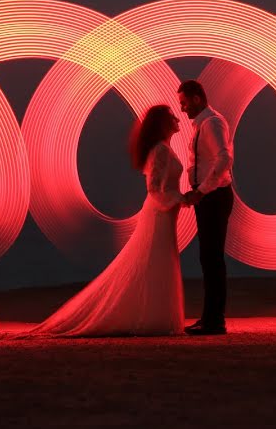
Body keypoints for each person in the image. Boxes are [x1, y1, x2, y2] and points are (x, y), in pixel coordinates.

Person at [16, 105, 186, 337]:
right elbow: (154, 189)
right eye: (171, 117)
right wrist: (181, 199)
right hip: (160, 215)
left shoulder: (164, 149)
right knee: (156, 261)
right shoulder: (161, 151)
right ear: (162, 124)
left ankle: (153, 315)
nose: (177, 119)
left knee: (158, 262)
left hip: (166, 214)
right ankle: (153, 317)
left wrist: (178, 200)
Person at [178, 80, 234, 335]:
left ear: (197, 98)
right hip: (209, 196)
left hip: (214, 196)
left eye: (184, 103)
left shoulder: (211, 123)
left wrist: (201, 190)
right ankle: (210, 318)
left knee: (212, 259)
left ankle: (215, 321)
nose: (182, 109)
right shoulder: (203, 123)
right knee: (209, 258)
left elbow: (224, 158)